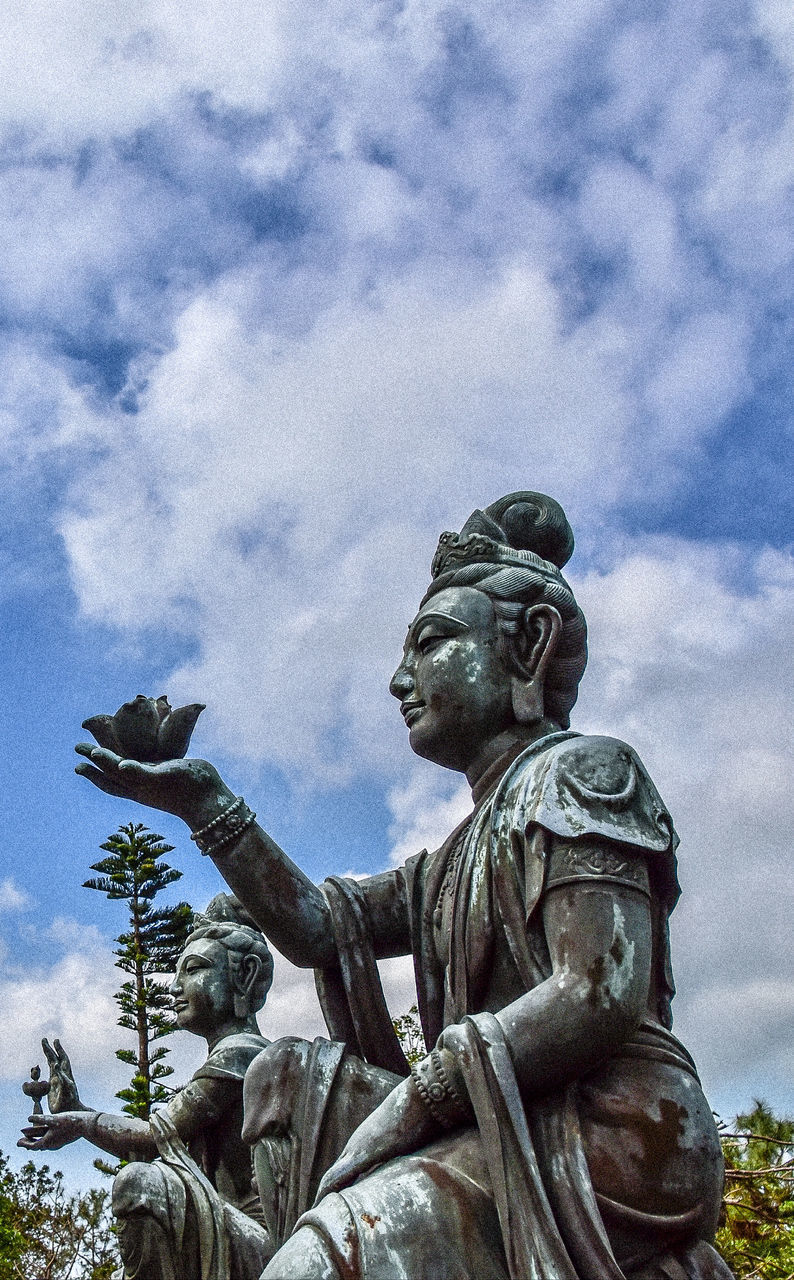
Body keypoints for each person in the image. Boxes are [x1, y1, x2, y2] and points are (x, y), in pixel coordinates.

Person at [69, 492, 733, 1280]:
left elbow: (594, 992)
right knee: (284, 1071)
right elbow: (317, 926)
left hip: (611, 1126)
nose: (398, 680)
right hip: (495, 1111)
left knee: (315, 1267)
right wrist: (205, 803)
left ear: (530, 644)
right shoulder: (446, 865)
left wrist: (414, 1102)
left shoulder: (585, 773)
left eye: (431, 643)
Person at [20, 895, 275, 1280]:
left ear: (246, 975)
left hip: (260, 1243)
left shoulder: (243, 1054)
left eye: (194, 970)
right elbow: (152, 1139)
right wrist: (79, 1110)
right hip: (229, 1226)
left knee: (141, 1183)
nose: (175, 987)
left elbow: (157, 1135)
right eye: (176, 973)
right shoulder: (224, 1058)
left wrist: (80, 1123)